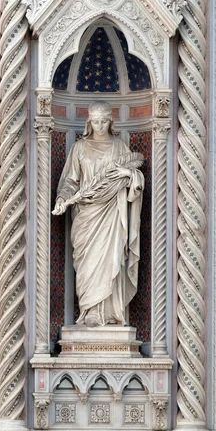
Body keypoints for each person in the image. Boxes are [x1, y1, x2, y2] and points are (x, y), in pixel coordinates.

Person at [52, 101, 144, 327]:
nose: (100, 125)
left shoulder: (120, 147)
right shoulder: (80, 148)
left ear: (111, 121)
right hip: (86, 214)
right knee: (88, 264)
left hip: (112, 212)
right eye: (95, 121)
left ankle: (109, 313)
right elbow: (71, 181)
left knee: (111, 259)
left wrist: (129, 174)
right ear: (89, 122)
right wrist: (63, 199)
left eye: (104, 121)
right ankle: (89, 310)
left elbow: (135, 178)